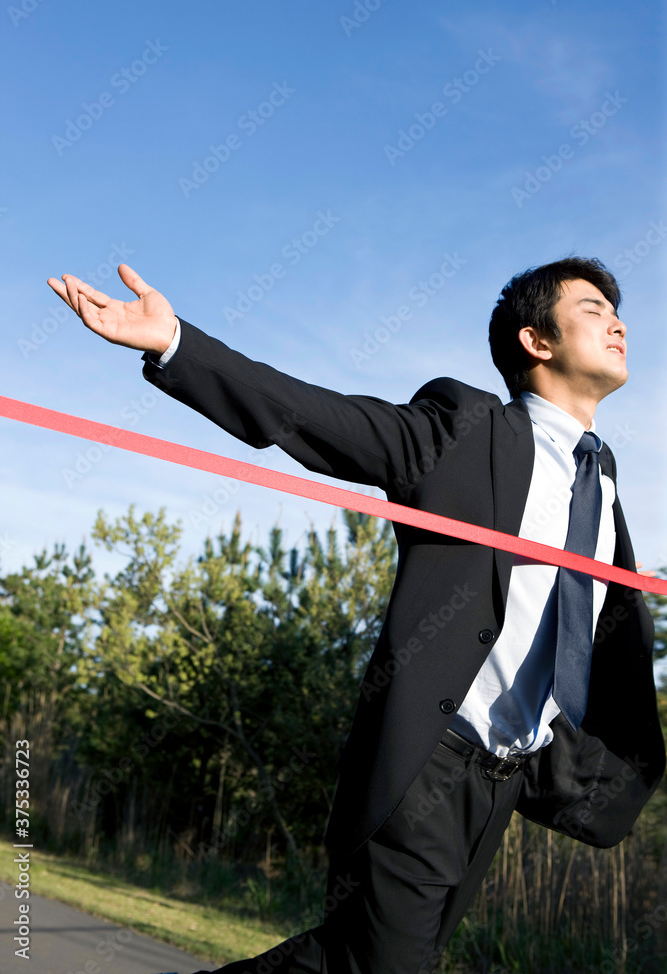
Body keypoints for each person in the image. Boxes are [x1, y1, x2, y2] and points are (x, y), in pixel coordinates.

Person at [48, 256, 665, 974]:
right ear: (537, 340)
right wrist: (176, 343)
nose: (617, 323)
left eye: (616, 312)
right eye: (593, 309)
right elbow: (320, 417)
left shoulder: (601, 481)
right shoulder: (468, 432)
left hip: (502, 780)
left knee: (359, 961)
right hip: (429, 759)